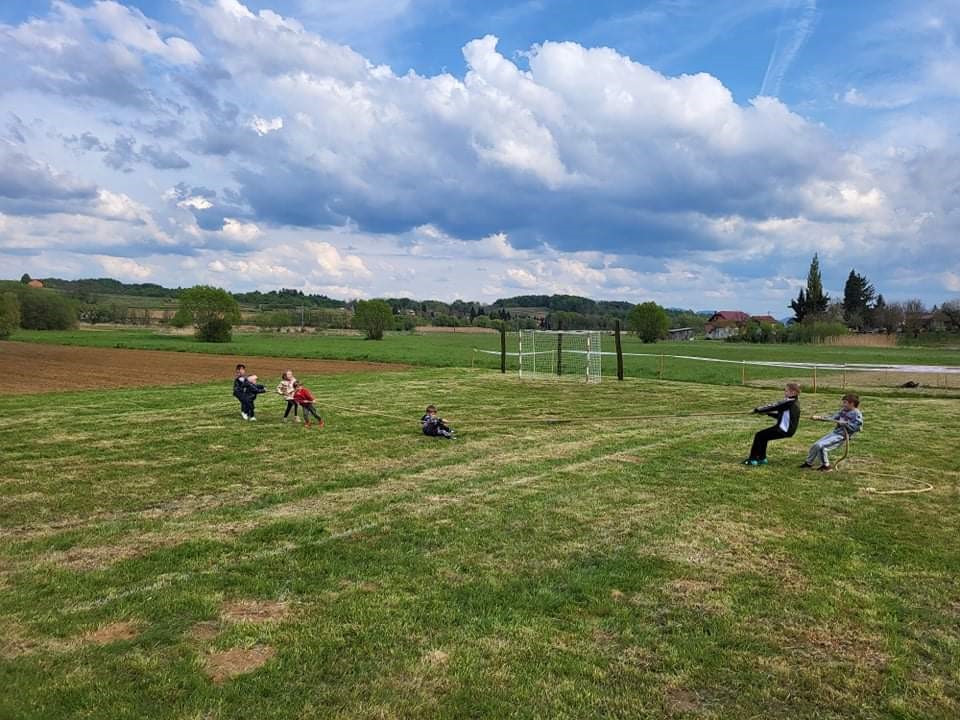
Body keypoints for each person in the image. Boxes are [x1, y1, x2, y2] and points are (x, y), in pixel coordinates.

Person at [743, 382, 801, 466]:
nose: (785, 392)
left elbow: (773, 406)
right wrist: (767, 413)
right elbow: (780, 416)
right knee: (763, 437)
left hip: (783, 429)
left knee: (759, 435)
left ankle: (752, 459)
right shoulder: (795, 403)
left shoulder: (789, 402)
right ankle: (762, 459)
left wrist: (756, 410)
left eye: (786, 390)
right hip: (788, 430)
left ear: (793, 392)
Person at [802, 393, 863, 472]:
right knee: (817, 445)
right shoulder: (843, 411)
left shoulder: (856, 414)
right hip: (835, 433)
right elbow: (832, 418)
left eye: (845, 402)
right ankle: (814, 464)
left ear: (852, 404)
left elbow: (858, 427)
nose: (843, 404)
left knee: (819, 445)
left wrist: (846, 424)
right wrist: (819, 418)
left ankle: (824, 466)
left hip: (843, 435)